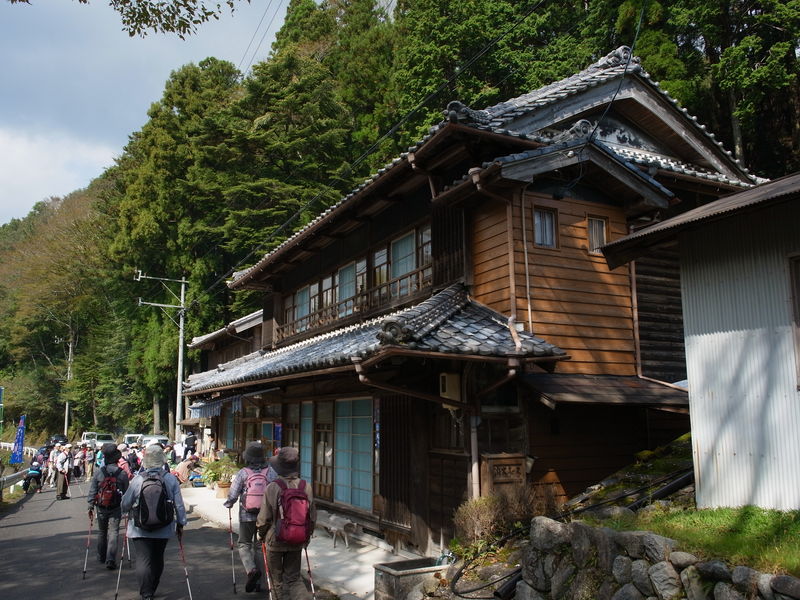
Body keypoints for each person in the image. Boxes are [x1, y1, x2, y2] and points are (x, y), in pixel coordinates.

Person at [121, 444, 188, 600]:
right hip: (163, 527)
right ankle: (153, 586)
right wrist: (181, 523)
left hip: (139, 527)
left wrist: (126, 512)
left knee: (143, 559)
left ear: (145, 460)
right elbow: (179, 504)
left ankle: (146, 592)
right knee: (157, 558)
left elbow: (125, 503)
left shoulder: (138, 480)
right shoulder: (170, 479)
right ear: (162, 460)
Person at [256, 447, 316, 600]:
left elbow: (264, 518)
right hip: (297, 539)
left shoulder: (273, 487)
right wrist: (306, 536)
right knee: (294, 578)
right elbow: (312, 517)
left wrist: (261, 535)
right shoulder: (306, 486)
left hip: (274, 539)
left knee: (277, 581)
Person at [223, 442, 276, 593]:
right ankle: (260, 582)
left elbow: (233, 494)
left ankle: (251, 570)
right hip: (265, 515)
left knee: (244, 544)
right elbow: (276, 491)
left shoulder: (243, 473)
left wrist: (229, 503)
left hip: (246, 515)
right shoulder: (270, 472)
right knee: (260, 546)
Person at [88, 443, 130, 569]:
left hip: (101, 506)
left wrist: (90, 505)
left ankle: (101, 556)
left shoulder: (99, 472)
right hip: (116, 507)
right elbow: (127, 492)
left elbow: (93, 490)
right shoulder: (122, 474)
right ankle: (110, 559)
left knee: (102, 532)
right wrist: (127, 508)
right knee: (114, 532)